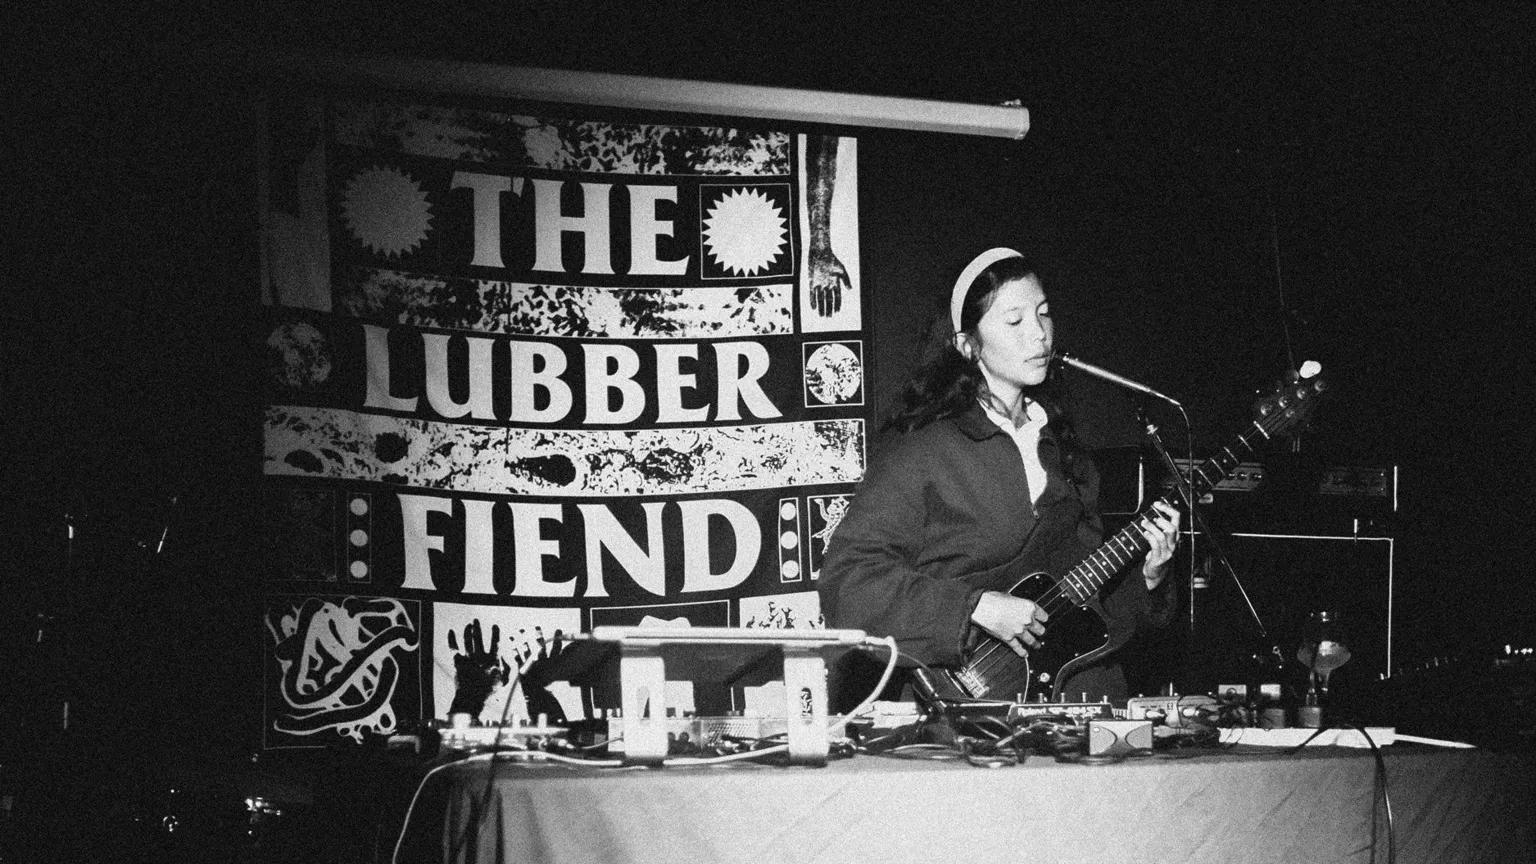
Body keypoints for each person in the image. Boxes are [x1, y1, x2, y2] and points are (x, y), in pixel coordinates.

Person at [817, 248, 1181, 709]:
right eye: (1014, 321)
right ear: (968, 345)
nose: (1040, 334)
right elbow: (849, 586)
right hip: (964, 709)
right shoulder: (923, 451)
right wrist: (976, 608)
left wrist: (1149, 577)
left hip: (1076, 707)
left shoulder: (1063, 450)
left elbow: (1085, 607)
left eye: (1044, 314)